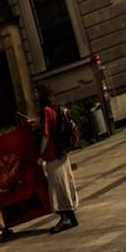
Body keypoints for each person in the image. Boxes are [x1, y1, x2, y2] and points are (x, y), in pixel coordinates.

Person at [39, 90, 82, 233]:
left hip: (53, 154)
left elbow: (46, 134)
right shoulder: (57, 108)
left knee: (57, 186)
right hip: (62, 151)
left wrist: (41, 154)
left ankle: (65, 218)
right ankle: (72, 217)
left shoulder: (46, 110)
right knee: (66, 183)